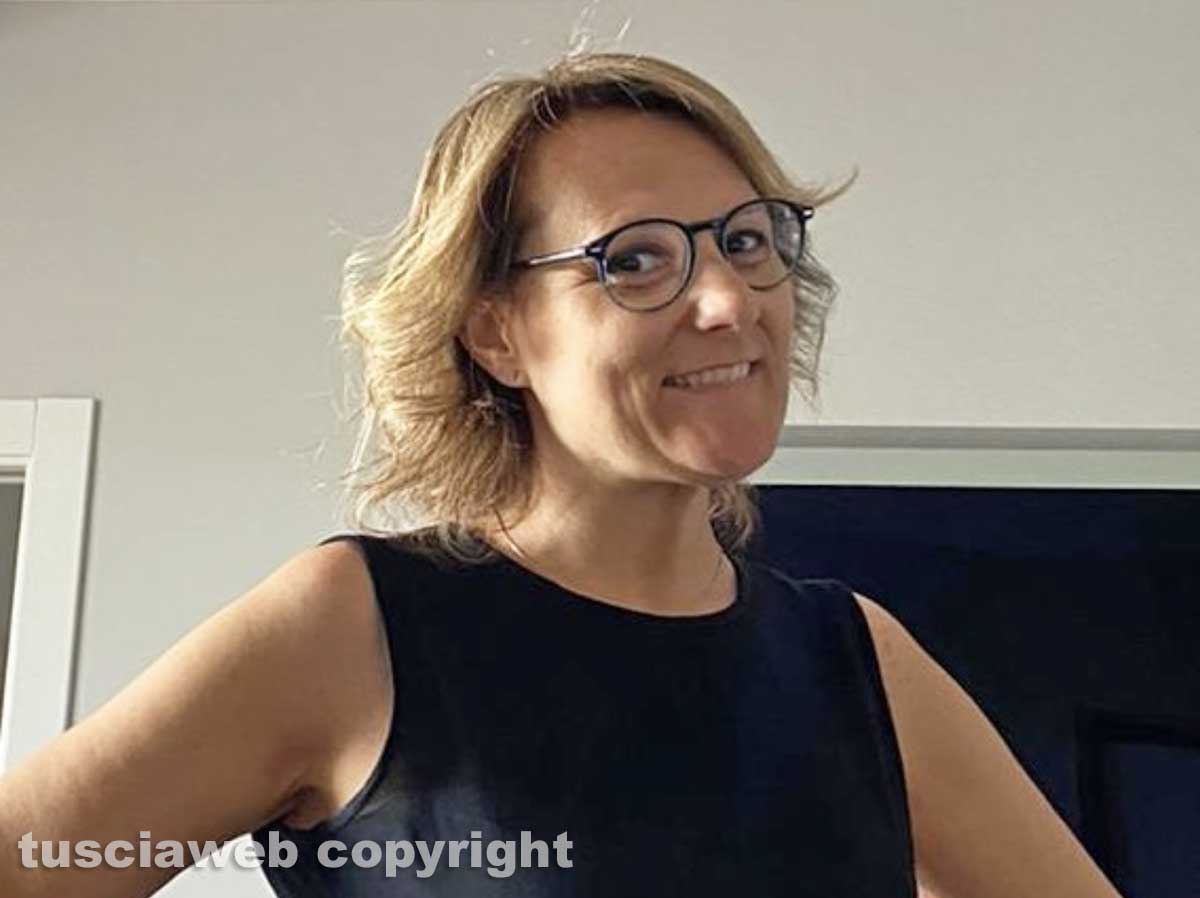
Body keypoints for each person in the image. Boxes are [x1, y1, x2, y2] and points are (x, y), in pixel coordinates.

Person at [0, 51, 1125, 898]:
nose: (727, 300)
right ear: (496, 333)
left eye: (746, 240)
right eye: (633, 259)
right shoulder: (354, 627)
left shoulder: (857, 661)